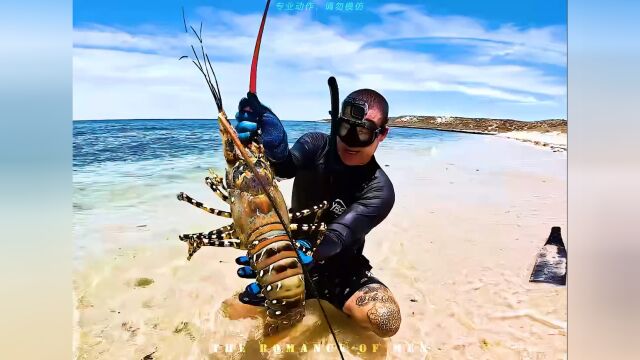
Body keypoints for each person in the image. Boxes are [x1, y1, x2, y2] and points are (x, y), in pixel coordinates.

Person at [232, 85, 401, 338]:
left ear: (382, 133)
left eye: (363, 132)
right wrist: (274, 147)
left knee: (386, 319)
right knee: (231, 312)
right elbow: (285, 168)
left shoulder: (380, 190)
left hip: (340, 272)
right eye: (345, 128)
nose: (350, 141)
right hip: (286, 265)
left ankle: (321, 311)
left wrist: (309, 252)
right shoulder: (316, 143)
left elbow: (338, 236)